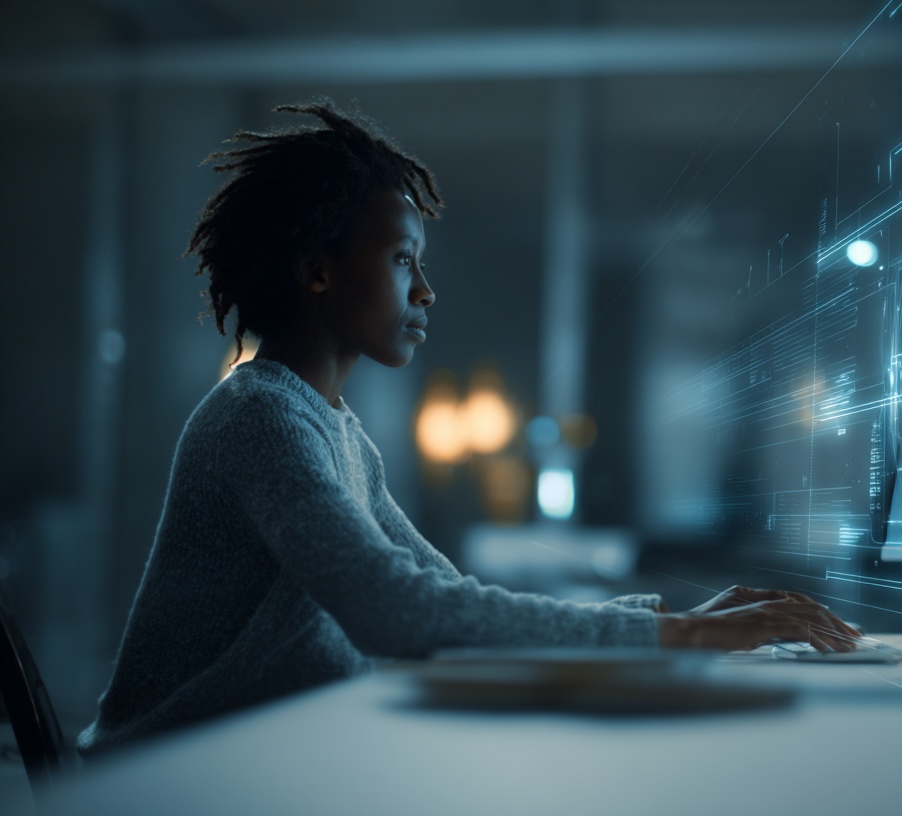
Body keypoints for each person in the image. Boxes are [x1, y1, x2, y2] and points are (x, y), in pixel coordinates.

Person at [79, 99, 860, 755]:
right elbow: (397, 613)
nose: (424, 290)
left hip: (260, 755)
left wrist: (666, 619)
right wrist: (679, 640)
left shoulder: (332, 428)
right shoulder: (260, 417)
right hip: (172, 773)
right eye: (399, 260)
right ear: (317, 269)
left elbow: (446, 597)